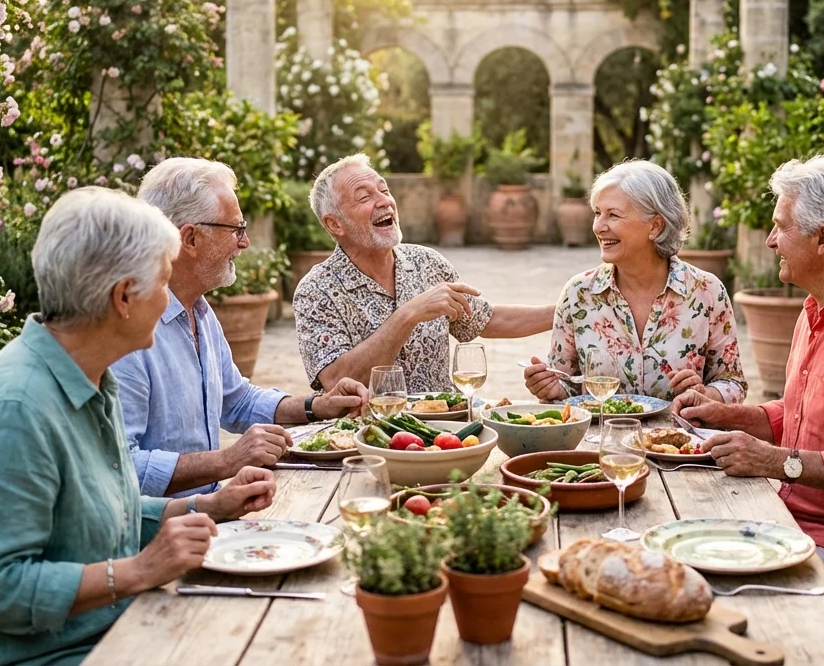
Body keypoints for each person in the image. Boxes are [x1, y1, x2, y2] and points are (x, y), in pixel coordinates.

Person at [0, 188, 280, 666]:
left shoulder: (91, 378)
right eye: (163, 282)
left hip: (91, 635)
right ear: (123, 297)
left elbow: (102, 510)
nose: (169, 301)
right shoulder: (15, 409)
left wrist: (206, 505)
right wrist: (139, 570)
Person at [670, 156, 824, 584]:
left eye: (780, 226)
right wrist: (730, 417)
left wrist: (777, 462)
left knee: (698, 579)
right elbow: (799, 415)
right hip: (784, 520)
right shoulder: (812, 312)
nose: (770, 240)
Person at [114, 158, 368, 497]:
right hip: (159, 537)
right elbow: (121, 468)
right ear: (189, 238)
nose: (244, 242)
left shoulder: (200, 312)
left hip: (208, 517)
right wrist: (227, 461)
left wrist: (315, 407)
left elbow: (237, 401)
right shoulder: (127, 333)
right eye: (236, 229)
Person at [293, 154, 554, 393]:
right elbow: (337, 382)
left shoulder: (426, 261)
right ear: (334, 223)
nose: (384, 201)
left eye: (384, 190)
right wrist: (408, 314)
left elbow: (486, 320)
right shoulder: (316, 290)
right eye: (364, 197)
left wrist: (569, 309)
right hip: (369, 436)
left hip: (444, 431)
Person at [523, 160, 746, 403]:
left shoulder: (707, 292)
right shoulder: (578, 293)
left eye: (613, 215)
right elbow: (567, 388)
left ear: (655, 225)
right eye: (598, 213)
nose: (598, 226)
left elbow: (733, 383)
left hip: (677, 440)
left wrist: (707, 394)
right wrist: (552, 389)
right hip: (598, 440)